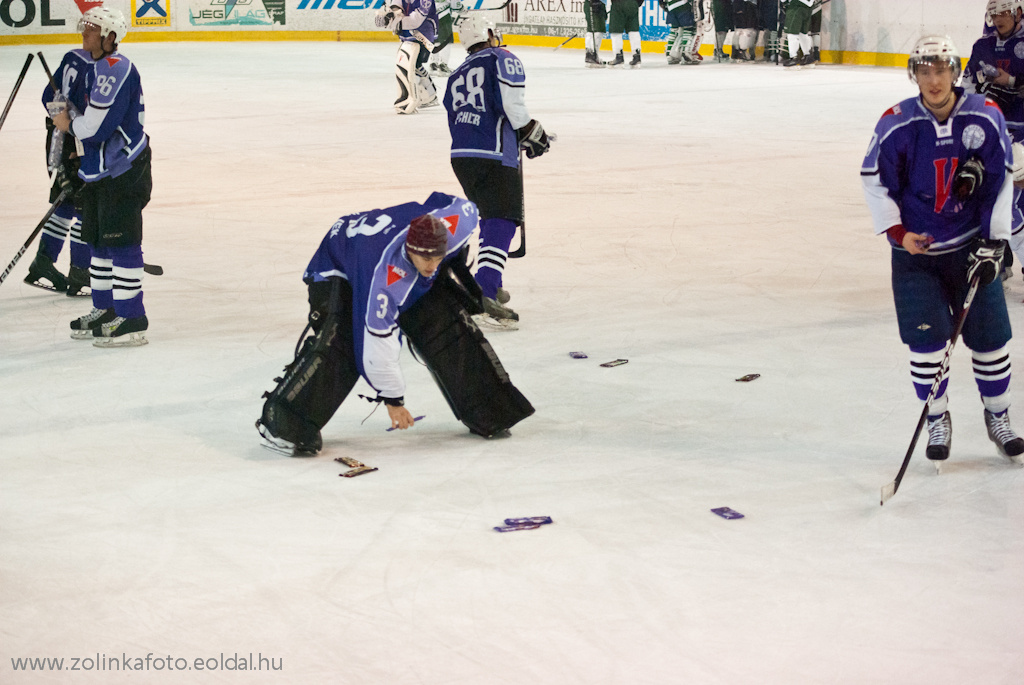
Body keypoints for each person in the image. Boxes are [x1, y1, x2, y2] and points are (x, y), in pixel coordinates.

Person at [255, 192, 535, 456]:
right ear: (409, 249)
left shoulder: (459, 220)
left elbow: (460, 206)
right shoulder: (384, 278)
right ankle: (283, 421)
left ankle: (489, 408)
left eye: (438, 256)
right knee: (344, 340)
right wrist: (394, 401)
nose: (432, 265)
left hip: (379, 246)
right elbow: (375, 341)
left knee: (444, 319)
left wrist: (450, 266)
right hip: (337, 265)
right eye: (425, 258)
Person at [861, 35, 1024, 464]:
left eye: (942, 70)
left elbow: (1002, 179)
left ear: (955, 71)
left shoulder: (984, 116)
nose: (934, 80)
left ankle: (998, 417)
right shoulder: (896, 123)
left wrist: (995, 241)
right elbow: (874, 180)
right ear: (915, 74)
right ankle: (937, 415)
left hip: (971, 249)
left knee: (991, 343)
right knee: (928, 345)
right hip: (917, 256)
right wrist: (898, 234)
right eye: (925, 71)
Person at [50, 5, 152, 347]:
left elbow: (95, 127)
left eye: (92, 29)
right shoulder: (93, 66)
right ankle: (106, 309)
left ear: (110, 36)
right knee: (97, 240)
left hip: (122, 169)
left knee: (121, 241)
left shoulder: (115, 66)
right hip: (96, 169)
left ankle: (132, 317)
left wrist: (68, 125)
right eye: (85, 27)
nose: (85, 33)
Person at [442, 15, 550, 329]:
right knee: (504, 217)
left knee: (491, 215)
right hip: (492, 153)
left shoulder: (455, 74)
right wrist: (530, 130)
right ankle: (484, 290)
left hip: (462, 155)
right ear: (489, 34)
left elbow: (457, 115)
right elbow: (512, 105)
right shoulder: (501, 57)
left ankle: (487, 280)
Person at [23, 45, 96, 297]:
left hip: (57, 142)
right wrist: (73, 137)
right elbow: (92, 116)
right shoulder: (97, 67)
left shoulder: (72, 56)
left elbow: (48, 96)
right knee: (86, 207)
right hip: (76, 147)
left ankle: (43, 262)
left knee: (64, 202)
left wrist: (61, 125)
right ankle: (81, 271)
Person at [964, 0, 1024, 274]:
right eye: (993, 13)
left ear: (1018, 12)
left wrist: (1011, 83)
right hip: (994, 133)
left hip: (1022, 130)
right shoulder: (982, 46)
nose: (997, 18)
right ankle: (1003, 260)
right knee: (994, 197)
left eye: (1003, 12)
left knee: (1015, 199)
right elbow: (966, 87)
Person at [376, 0, 440, 114]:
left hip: (424, 35)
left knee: (412, 66)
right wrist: (391, 14)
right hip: (408, 33)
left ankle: (412, 98)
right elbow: (396, 5)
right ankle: (430, 95)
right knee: (413, 66)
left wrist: (393, 22)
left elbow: (416, 20)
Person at [661, 0, 700, 65]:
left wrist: (662, 3)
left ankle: (669, 54)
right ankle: (686, 53)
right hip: (682, 4)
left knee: (674, 28)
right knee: (688, 28)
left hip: (670, 6)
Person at [607, 0, 643, 67]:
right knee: (633, 30)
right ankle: (637, 56)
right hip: (633, 3)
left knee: (616, 31)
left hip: (618, 4)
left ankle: (618, 56)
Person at [429, 0, 459, 76]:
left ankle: (433, 64)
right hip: (444, 16)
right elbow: (455, 4)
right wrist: (462, 9)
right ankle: (443, 65)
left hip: (431, 16)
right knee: (446, 40)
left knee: (435, 40)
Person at [782, 0, 814, 68]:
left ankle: (794, 57)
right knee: (802, 33)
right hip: (808, 6)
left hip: (796, 5)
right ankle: (807, 56)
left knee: (792, 33)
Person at [584, 0, 609, 66]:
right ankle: (593, 55)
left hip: (590, 3)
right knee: (598, 29)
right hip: (596, 3)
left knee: (591, 29)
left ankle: (589, 54)